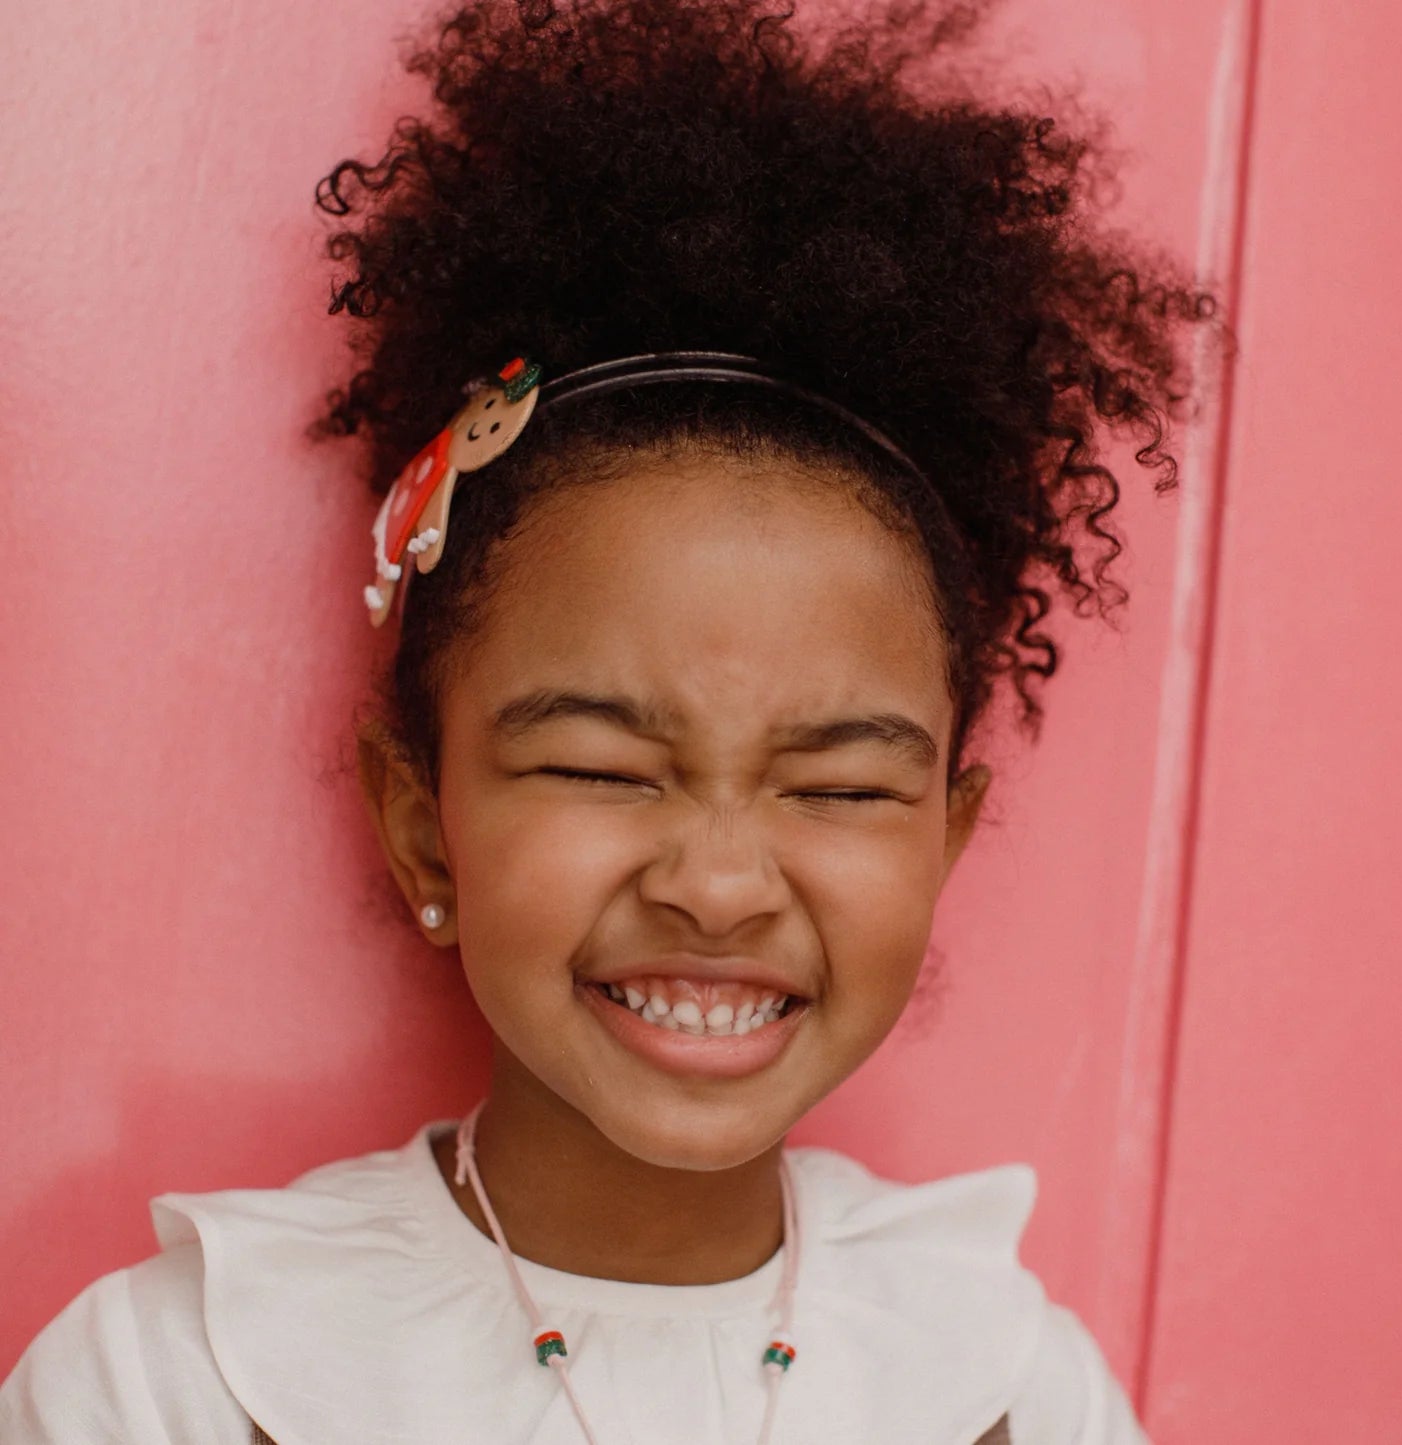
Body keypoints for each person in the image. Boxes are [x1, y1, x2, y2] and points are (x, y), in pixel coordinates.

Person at [0, 0, 1210, 1439]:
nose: (713, 881)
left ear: (946, 834)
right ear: (421, 820)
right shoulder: (176, 1377)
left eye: (836, 789)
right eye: (595, 765)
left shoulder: (1007, 1380)